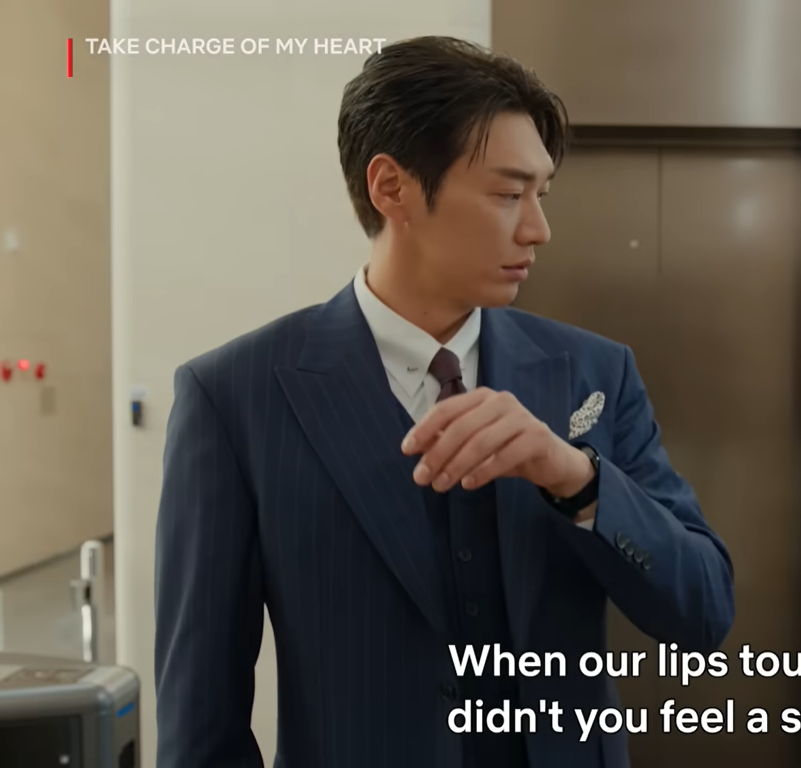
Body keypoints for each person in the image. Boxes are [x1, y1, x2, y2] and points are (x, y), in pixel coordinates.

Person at [153, 36, 735, 768]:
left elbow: (704, 612)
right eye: (507, 194)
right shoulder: (234, 398)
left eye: (541, 195)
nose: (538, 229)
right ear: (391, 187)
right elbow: (200, 723)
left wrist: (577, 479)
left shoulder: (595, 373)